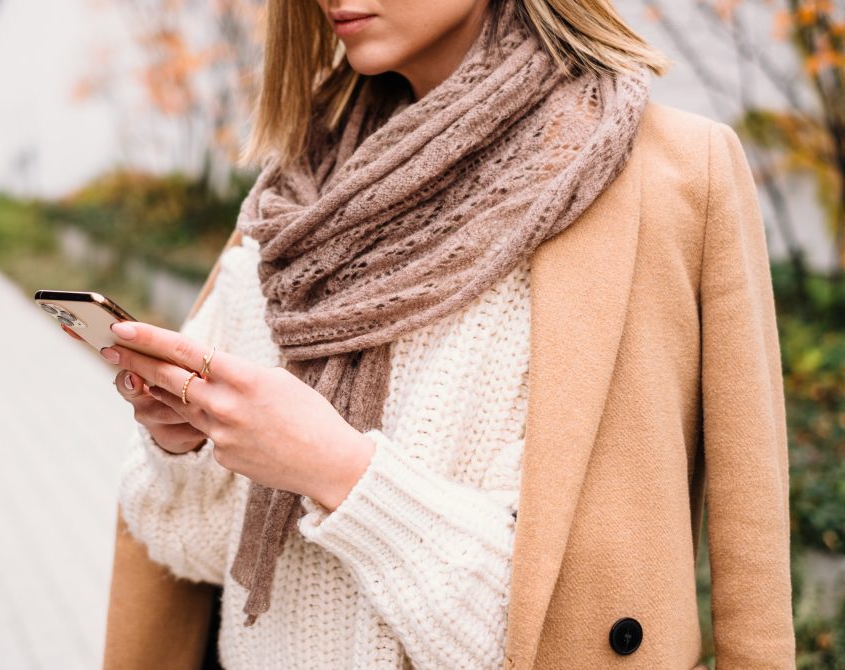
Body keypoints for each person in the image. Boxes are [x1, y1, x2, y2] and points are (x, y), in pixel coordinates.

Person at [96, 0, 796, 668]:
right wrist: (182, 443)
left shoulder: (668, 179)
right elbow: (199, 558)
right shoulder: (295, 191)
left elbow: (565, 631)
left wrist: (338, 471)